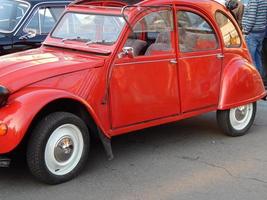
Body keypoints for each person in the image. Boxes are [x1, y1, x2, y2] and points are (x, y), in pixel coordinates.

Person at [242, 0, 267, 81]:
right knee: (257, 56)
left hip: (252, 32)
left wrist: (245, 31)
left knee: (251, 58)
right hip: (261, 31)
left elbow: (251, 18)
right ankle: (260, 78)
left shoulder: (254, 1)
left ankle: (255, 80)